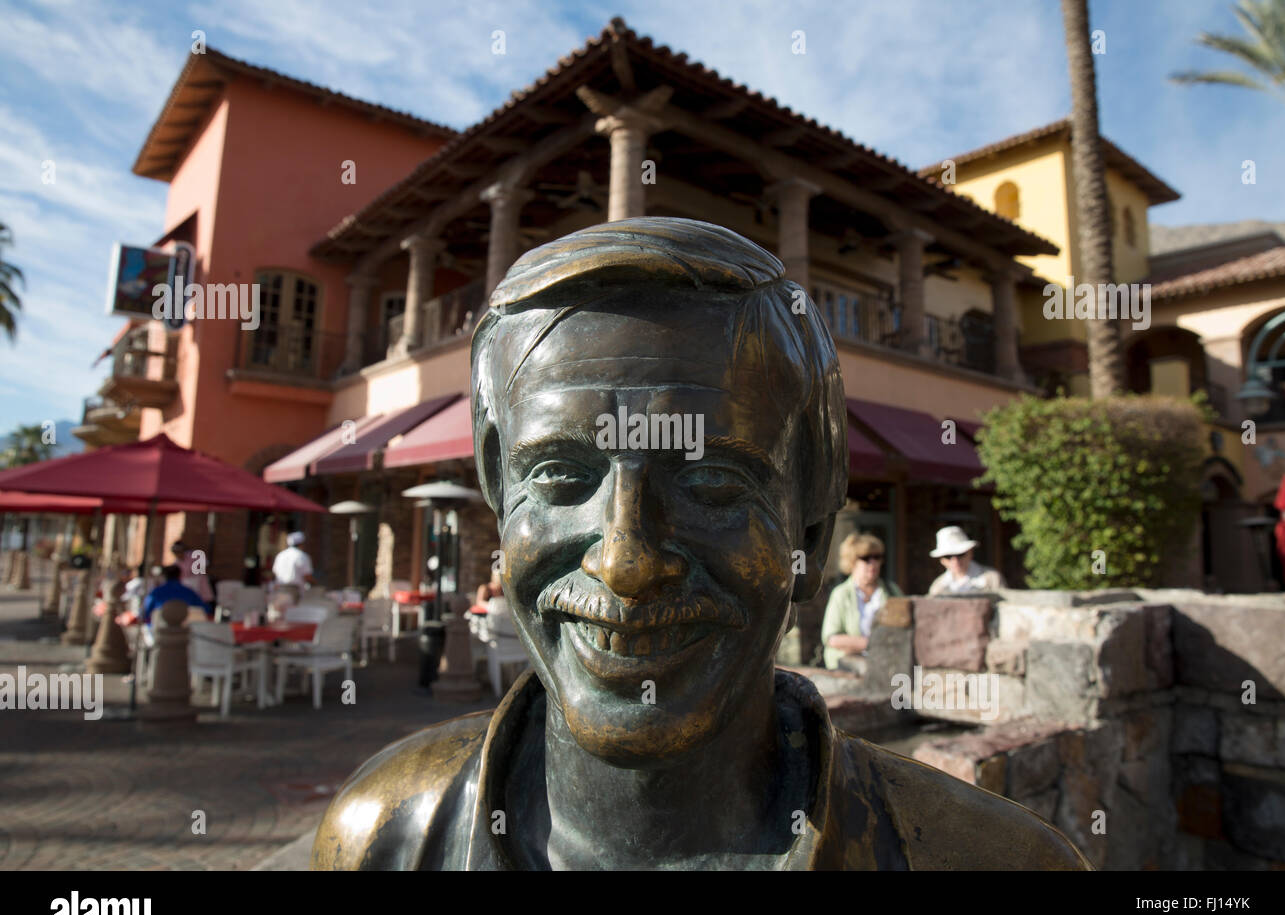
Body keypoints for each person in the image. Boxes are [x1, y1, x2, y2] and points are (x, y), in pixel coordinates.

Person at [312, 217, 1087, 871]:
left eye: (713, 481)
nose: (625, 559)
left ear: (810, 533)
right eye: (557, 475)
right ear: (497, 487)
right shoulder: (382, 840)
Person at [820, 532, 902, 671]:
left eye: (877, 557)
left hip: (887, 666)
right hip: (848, 669)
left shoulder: (891, 590)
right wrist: (871, 643)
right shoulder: (841, 594)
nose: (873, 563)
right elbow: (831, 638)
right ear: (852, 561)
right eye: (866, 558)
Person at [927, 526, 1004, 594]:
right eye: (948, 556)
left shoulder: (993, 579)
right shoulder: (937, 588)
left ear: (970, 553)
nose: (955, 561)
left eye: (960, 554)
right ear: (942, 560)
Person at [141, 564, 213, 625]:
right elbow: (206, 610)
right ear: (180, 576)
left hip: (160, 634)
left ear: (164, 576)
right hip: (186, 635)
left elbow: (144, 614)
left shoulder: (155, 593)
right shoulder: (189, 592)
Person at [171, 539, 214, 607]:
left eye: (178, 552)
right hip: (186, 585)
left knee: (203, 602)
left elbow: (206, 565)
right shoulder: (176, 562)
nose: (177, 554)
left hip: (199, 582)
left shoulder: (193, 555)